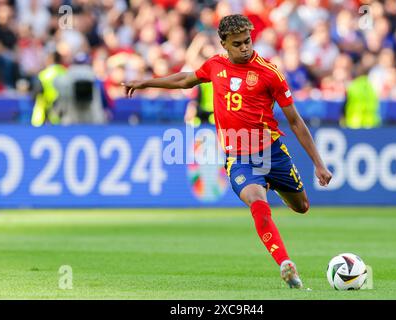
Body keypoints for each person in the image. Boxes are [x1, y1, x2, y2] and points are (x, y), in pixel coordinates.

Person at [122, 14, 332, 289]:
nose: (245, 48)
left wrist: (318, 163)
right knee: (258, 203)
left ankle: (273, 183)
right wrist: (147, 83)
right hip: (239, 158)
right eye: (237, 44)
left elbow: (294, 120)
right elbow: (187, 79)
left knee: (302, 207)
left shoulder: (270, 73)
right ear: (224, 44)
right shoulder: (215, 66)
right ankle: (285, 264)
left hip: (272, 153)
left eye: (247, 41)